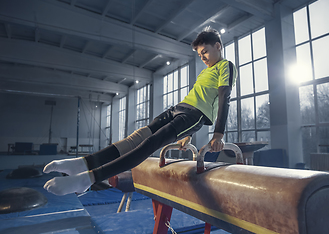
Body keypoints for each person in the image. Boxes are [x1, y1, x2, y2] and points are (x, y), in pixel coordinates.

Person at [43, 28, 237, 196]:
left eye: (205, 52)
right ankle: (84, 164)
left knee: (150, 144)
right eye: (200, 54)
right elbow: (201, 95)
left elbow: (223, 98)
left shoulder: (225, 66)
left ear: (218, 46)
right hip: (178, 109)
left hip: (193, 116)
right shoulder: (205, 71)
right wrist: (188, 134)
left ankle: (89, 178)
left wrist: (218, 133)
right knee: (136, 137)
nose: (202, 57)